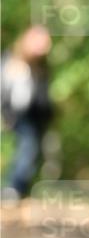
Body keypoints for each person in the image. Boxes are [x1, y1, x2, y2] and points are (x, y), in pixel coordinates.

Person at [1, 24, 54, 200]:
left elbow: (41, 97)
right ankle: (13, 187)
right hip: (11, 114)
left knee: (30, 149)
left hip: (32, 118)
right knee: (25, 147)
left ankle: (16, 188)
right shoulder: (10, 62)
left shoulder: (40, 68)